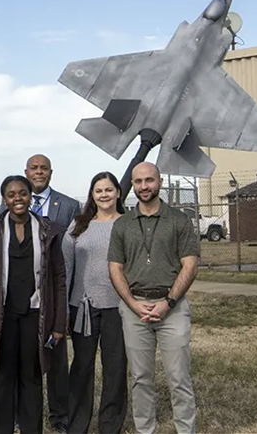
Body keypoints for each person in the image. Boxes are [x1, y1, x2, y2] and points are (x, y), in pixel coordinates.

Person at [108, 162, 199, 434]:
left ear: (159, 182)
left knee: (179, 377)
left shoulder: (179, 220)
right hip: (135, 308)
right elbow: (115, 268)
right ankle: (145, 430)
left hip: (173, 307)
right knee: (140, 378)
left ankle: (186, 430)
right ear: (132, 185)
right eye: (138, 182)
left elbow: (190, 265)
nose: (143, 186)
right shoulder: (123, 224)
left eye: (149, 180)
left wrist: (168, 303)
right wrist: (134, 305)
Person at [0, 175, 67, 434]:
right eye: (12, 194)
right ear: (5, 198)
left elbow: (59, 277)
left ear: (30, 196)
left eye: (22, 193)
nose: (18, 199)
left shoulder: (47, 230)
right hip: (0, 315)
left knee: (32, 377)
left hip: (35, 315)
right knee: (2, 377)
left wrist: (59, 324)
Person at [63, 173, 127, 434]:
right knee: (81, 367)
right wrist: (66, 306)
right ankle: (77, 424)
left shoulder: (128, 224)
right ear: (92, 195)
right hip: (83, 307)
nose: (103, 195)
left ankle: (110, 425)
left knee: (115, 368)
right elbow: (67, 266)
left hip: (119, 307)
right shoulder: (78, 225)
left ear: (118, 193)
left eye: (109, 190)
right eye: (98, 190)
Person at [24, 153, 80, 433]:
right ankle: (24, 414)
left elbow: (73, 257)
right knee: (25, 360)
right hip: (23, 298)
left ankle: (59, 417)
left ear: (51, 173)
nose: (39, 172)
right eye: (34, 168)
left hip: (55, 296)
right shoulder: (11, 201)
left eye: (43, 168)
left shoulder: (69, 206)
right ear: (26, 171)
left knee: (56, 360)